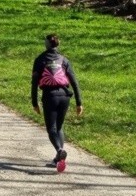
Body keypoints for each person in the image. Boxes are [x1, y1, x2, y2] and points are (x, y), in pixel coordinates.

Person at [31, 33, 82, 173]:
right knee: (59, 127)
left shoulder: (40, 60)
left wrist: (34, 102)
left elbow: (34, 83)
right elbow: (74, 82)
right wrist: (79, 102)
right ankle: (58, 159)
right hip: (65, 96)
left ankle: (60, 150)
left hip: (50, 97)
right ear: (58, 44)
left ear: (46, 44)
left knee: (51, 129)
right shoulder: (64, 60)